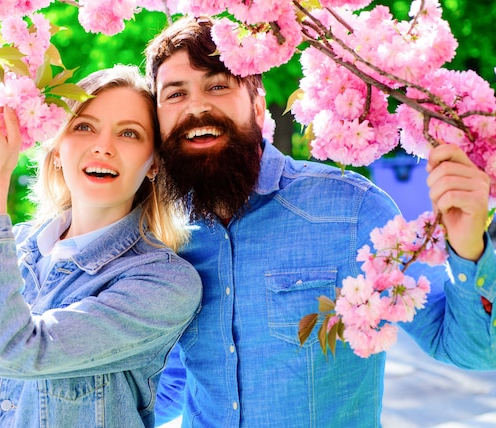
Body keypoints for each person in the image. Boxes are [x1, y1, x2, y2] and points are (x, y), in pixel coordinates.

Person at [144, 16, 496, 427]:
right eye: (175, 94)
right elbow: (175, 385)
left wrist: (469, 244)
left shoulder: (353, 210)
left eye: (217, 85)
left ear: (258, 106)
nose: (196, 106)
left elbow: (469, 348)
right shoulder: (166, 235)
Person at [0, 65, 202, 428]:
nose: (103, 146)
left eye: (129, 133)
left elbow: (14, 352)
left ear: (154, 162)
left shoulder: (164, 283)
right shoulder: (15, 248)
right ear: (58, 148)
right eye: (84, 126)